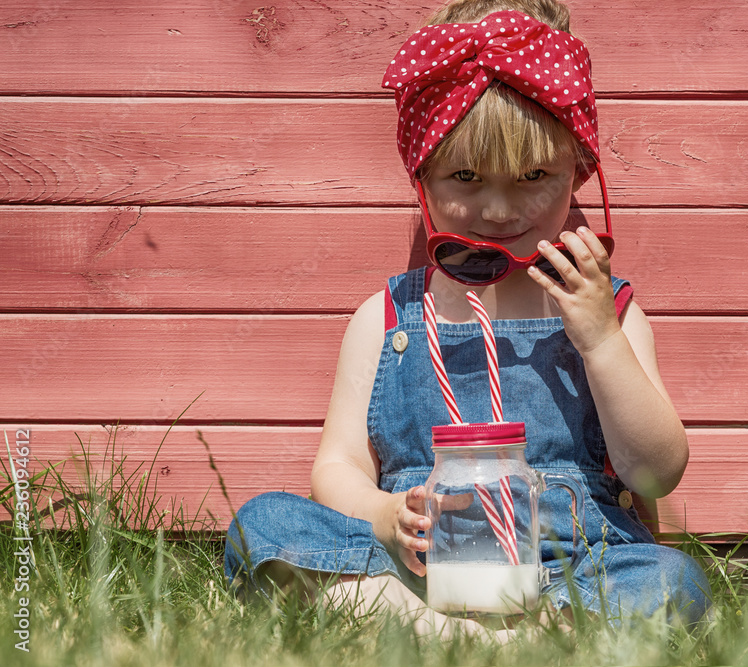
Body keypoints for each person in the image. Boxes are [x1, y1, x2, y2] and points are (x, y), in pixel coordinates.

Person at [224, 0, 711, 638]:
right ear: (421, 176)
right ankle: (468, 633)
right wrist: (383, 515)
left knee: (673, 581)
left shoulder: (608, 310)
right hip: (420, 566)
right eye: (466, 177)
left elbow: (656, 471)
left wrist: (598, 338)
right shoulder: (388, 317)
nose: (499, 208)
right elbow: (336, 466)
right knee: (264, 526)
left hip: (571, 567)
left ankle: (466, 631)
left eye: (534, 175)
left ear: (578, 170)